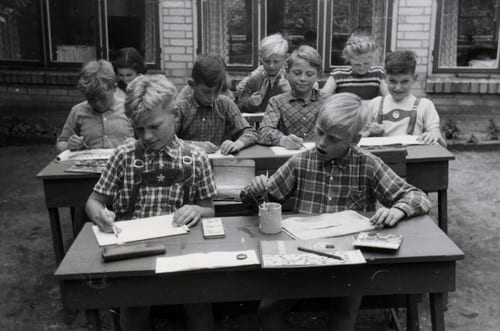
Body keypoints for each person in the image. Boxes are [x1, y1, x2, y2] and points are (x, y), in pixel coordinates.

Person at [241, 92, 431, 330]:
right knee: (268, 313)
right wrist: (256, 191)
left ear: (355, 140)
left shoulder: (367, 164)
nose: (321, 143)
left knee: (343, 317)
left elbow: (417, 196)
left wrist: (399, 210)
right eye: (319, 132)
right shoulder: (302, 162)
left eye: (333, 139)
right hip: (303, 257)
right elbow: (263, 202)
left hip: (348, 261)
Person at [85, 74, 217, 331]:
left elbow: (209, 209)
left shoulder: (195, 158)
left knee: (199, 303)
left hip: (183, 251)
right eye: (138, 128)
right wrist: (99, 214)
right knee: (133, 309)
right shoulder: (124, 155)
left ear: (175, 116)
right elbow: (93, 202)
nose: (146, 136)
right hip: (134, 250)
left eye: (154, 126)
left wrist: (196, 209)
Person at [176, 54, 258, 154]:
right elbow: (166, 141)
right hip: (190, 165)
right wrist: (192, 145)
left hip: (221, 164)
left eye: (217, 91)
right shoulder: (181, 108)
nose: (212, 97)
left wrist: (236, 144)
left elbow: (250, 133)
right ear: (192, 85)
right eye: (206, 91)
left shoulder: (225, 104)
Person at [363, 50, 446, 146]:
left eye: (404, 81)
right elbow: (358, 139)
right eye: (393, 81)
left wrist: (433, 134)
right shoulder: (375, 104)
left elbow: (441, 142)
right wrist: (369, 132)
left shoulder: (425, 105)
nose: (398, 87)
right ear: (385, 78)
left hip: (413, 158)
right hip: (381, 159)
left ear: (414, 78)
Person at [56, 59, 134, 152]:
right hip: (87, 165)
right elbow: (60, 143)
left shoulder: (130, 109)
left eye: (102, 98)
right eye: (91, 98)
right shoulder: (78, 112)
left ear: (114, 88)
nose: (97, 103)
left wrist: (136, 144)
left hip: (122, 164)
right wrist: (68, 145)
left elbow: (147, 140)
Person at [258, 45, 323, 149]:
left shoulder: (328, 102)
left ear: (318, 75)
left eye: (309, 74)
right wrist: (282, 139)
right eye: (297, 73)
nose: (303, 78)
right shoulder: (277, 102)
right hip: (286, 161)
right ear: (287, 73)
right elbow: (264, 131)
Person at [321, 31, 388, 100]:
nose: (362, 68)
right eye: (357, 64)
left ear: (373, 58)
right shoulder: (338, 74)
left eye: (366, 63)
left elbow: (388, 98)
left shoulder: (378, 73)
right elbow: (324, 97)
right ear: (349, 59)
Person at [238, 33, 291, 113]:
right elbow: (239, 107)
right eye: (267, 61)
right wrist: (250, 103)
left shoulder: (291, 79)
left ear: (285, 58)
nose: (271, 66)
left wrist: (292, 94)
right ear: (261, 58)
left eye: (276, 61)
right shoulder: (254, 79)